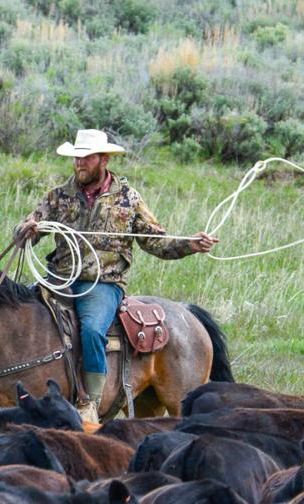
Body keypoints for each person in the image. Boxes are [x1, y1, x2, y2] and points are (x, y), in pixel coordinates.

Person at [16, 129, 216, 423]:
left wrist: (190, 245)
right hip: (58, 277)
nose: (79, 163)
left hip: (103, 283)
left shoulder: (128, 199)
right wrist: (26, 231)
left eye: (86, 158)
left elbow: (155, 241)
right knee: (23, 318)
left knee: (92, 329)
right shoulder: (58, 196)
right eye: (76, 157)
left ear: (104, 160)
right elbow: (28, 229)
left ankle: (90, 403)